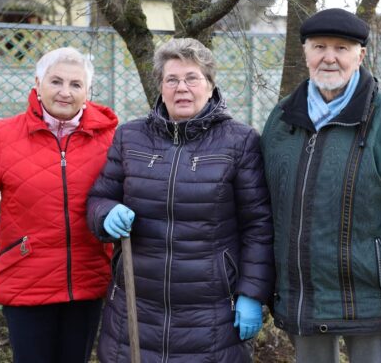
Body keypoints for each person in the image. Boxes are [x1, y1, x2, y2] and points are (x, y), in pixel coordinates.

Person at [260, 8, 381, 363]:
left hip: (371, 298)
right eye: (319, 47)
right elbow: (265, 210)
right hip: (303, 296)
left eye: (342, 48)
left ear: (361, 55)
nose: (330, 58)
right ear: (306, 53)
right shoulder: (283, 119)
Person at [86, 37, 274, 363]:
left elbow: (258, 224)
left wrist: (252, 293)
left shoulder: (240, 141)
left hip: (211, 312)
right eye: (171, 79)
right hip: (136, 306)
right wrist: (105, 214)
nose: (181, 87)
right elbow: (99, 197)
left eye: (192, 78)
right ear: (160, 86)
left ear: (211, 86)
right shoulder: (130, 137)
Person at [0, 47, 118, 362]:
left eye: (76, 85)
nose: (65, 92)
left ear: (88, 91)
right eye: (56, 81)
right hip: (26, 280)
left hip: (87, 280)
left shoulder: (111, 138)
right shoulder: (3, 135)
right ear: (38, 83)